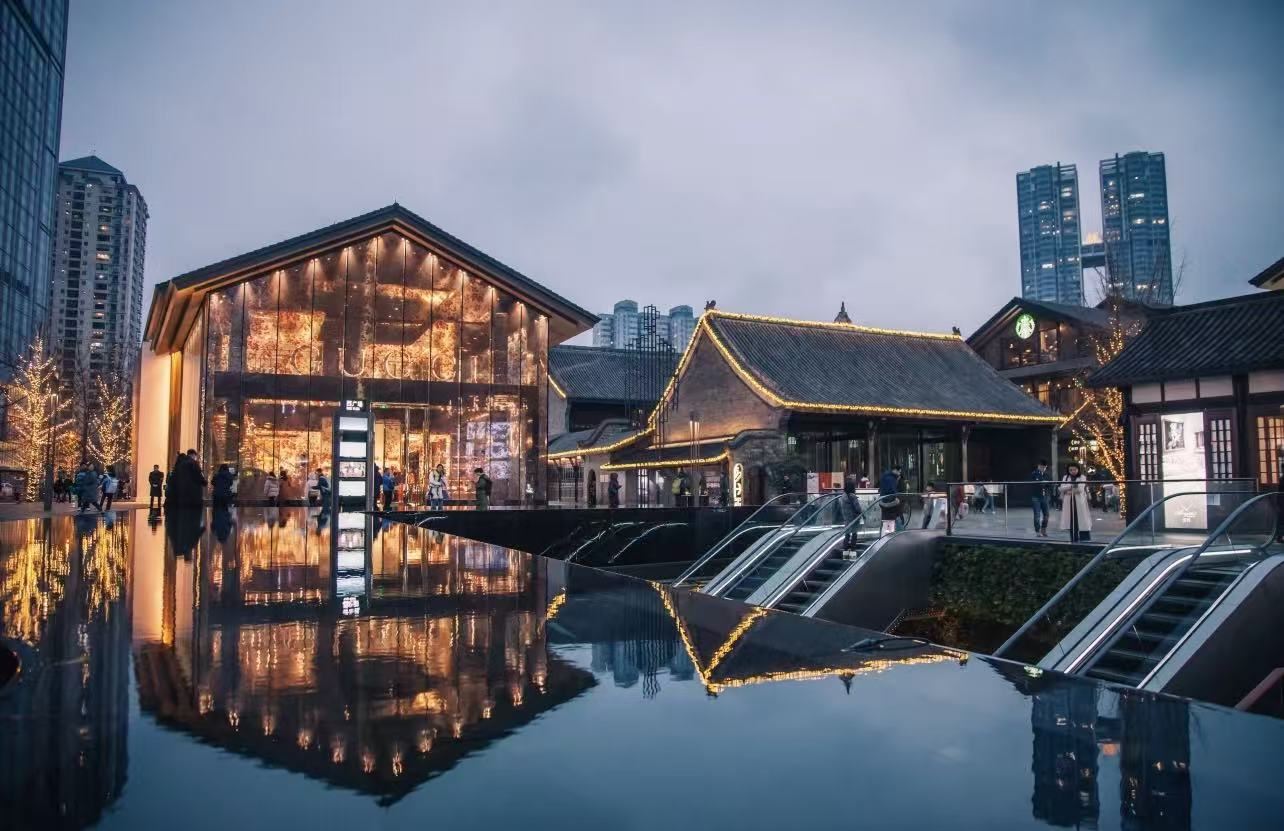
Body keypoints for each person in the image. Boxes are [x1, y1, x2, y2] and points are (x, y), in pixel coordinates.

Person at [1059, 462, 1092, 542]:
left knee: (1080, 520)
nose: (1073, 471)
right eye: (1071, 470)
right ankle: (1073, 539)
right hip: (1069, 502)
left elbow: (1080, 489)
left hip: (1079, 502)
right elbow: (1061, 488)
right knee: (1071, 521)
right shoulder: (1065, 477)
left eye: (1075, 469)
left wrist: (1068, 490)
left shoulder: (1082, 477)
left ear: (1078, 469)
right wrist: (1071, 486)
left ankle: (1083, 539)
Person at [878, 463, 905, 528]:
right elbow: (891, 491)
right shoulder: (891, 479)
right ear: (895, 470)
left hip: (884, 502)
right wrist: (896, 499)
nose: (899, 474)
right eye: (899, 472)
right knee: (893, 522)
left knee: (887, 523)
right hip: (890, 504)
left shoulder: (886, 476)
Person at [1030, 459, 1052, 537]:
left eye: (1044, 467)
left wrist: (1044, 483)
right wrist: (1042, 483)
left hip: (1045, 496)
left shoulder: (1047, 474)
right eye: (1042, 467)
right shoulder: (1034, 473)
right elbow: (1033, 484)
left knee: (1046, 515)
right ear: (1038, 466)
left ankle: (1044, 529)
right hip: (1036, 497)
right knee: (1037, 515)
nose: (1043, 468)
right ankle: (1037, 531)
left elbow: (1050, 484)